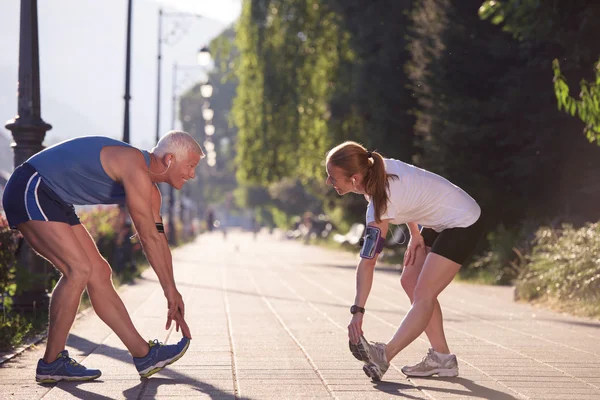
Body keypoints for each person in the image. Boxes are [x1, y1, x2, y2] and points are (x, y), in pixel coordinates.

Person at [2, 131, 203, 383]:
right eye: (191, 165)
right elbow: (148, 237)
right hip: (31, 187)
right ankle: (52, 362)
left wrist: (171, 290)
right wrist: (167, 291)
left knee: (99, 272)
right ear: (170, 159)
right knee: (79, 270)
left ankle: (144, 355)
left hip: (56, 199)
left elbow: (157, 238)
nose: (193, 174)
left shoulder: (152, 193)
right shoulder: (134, 166)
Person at [325, 141, 484, 382]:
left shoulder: (379, 201)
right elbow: (410, 196)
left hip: (463, 221)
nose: (329, 182)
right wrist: (415, 233)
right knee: (410, 280)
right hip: (438, 220)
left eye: (332, 177)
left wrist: (357, 311)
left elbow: (367, 262)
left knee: (424, 293)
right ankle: (442, 359)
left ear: (355, 178)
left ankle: (384, 355)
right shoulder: (375, 170)